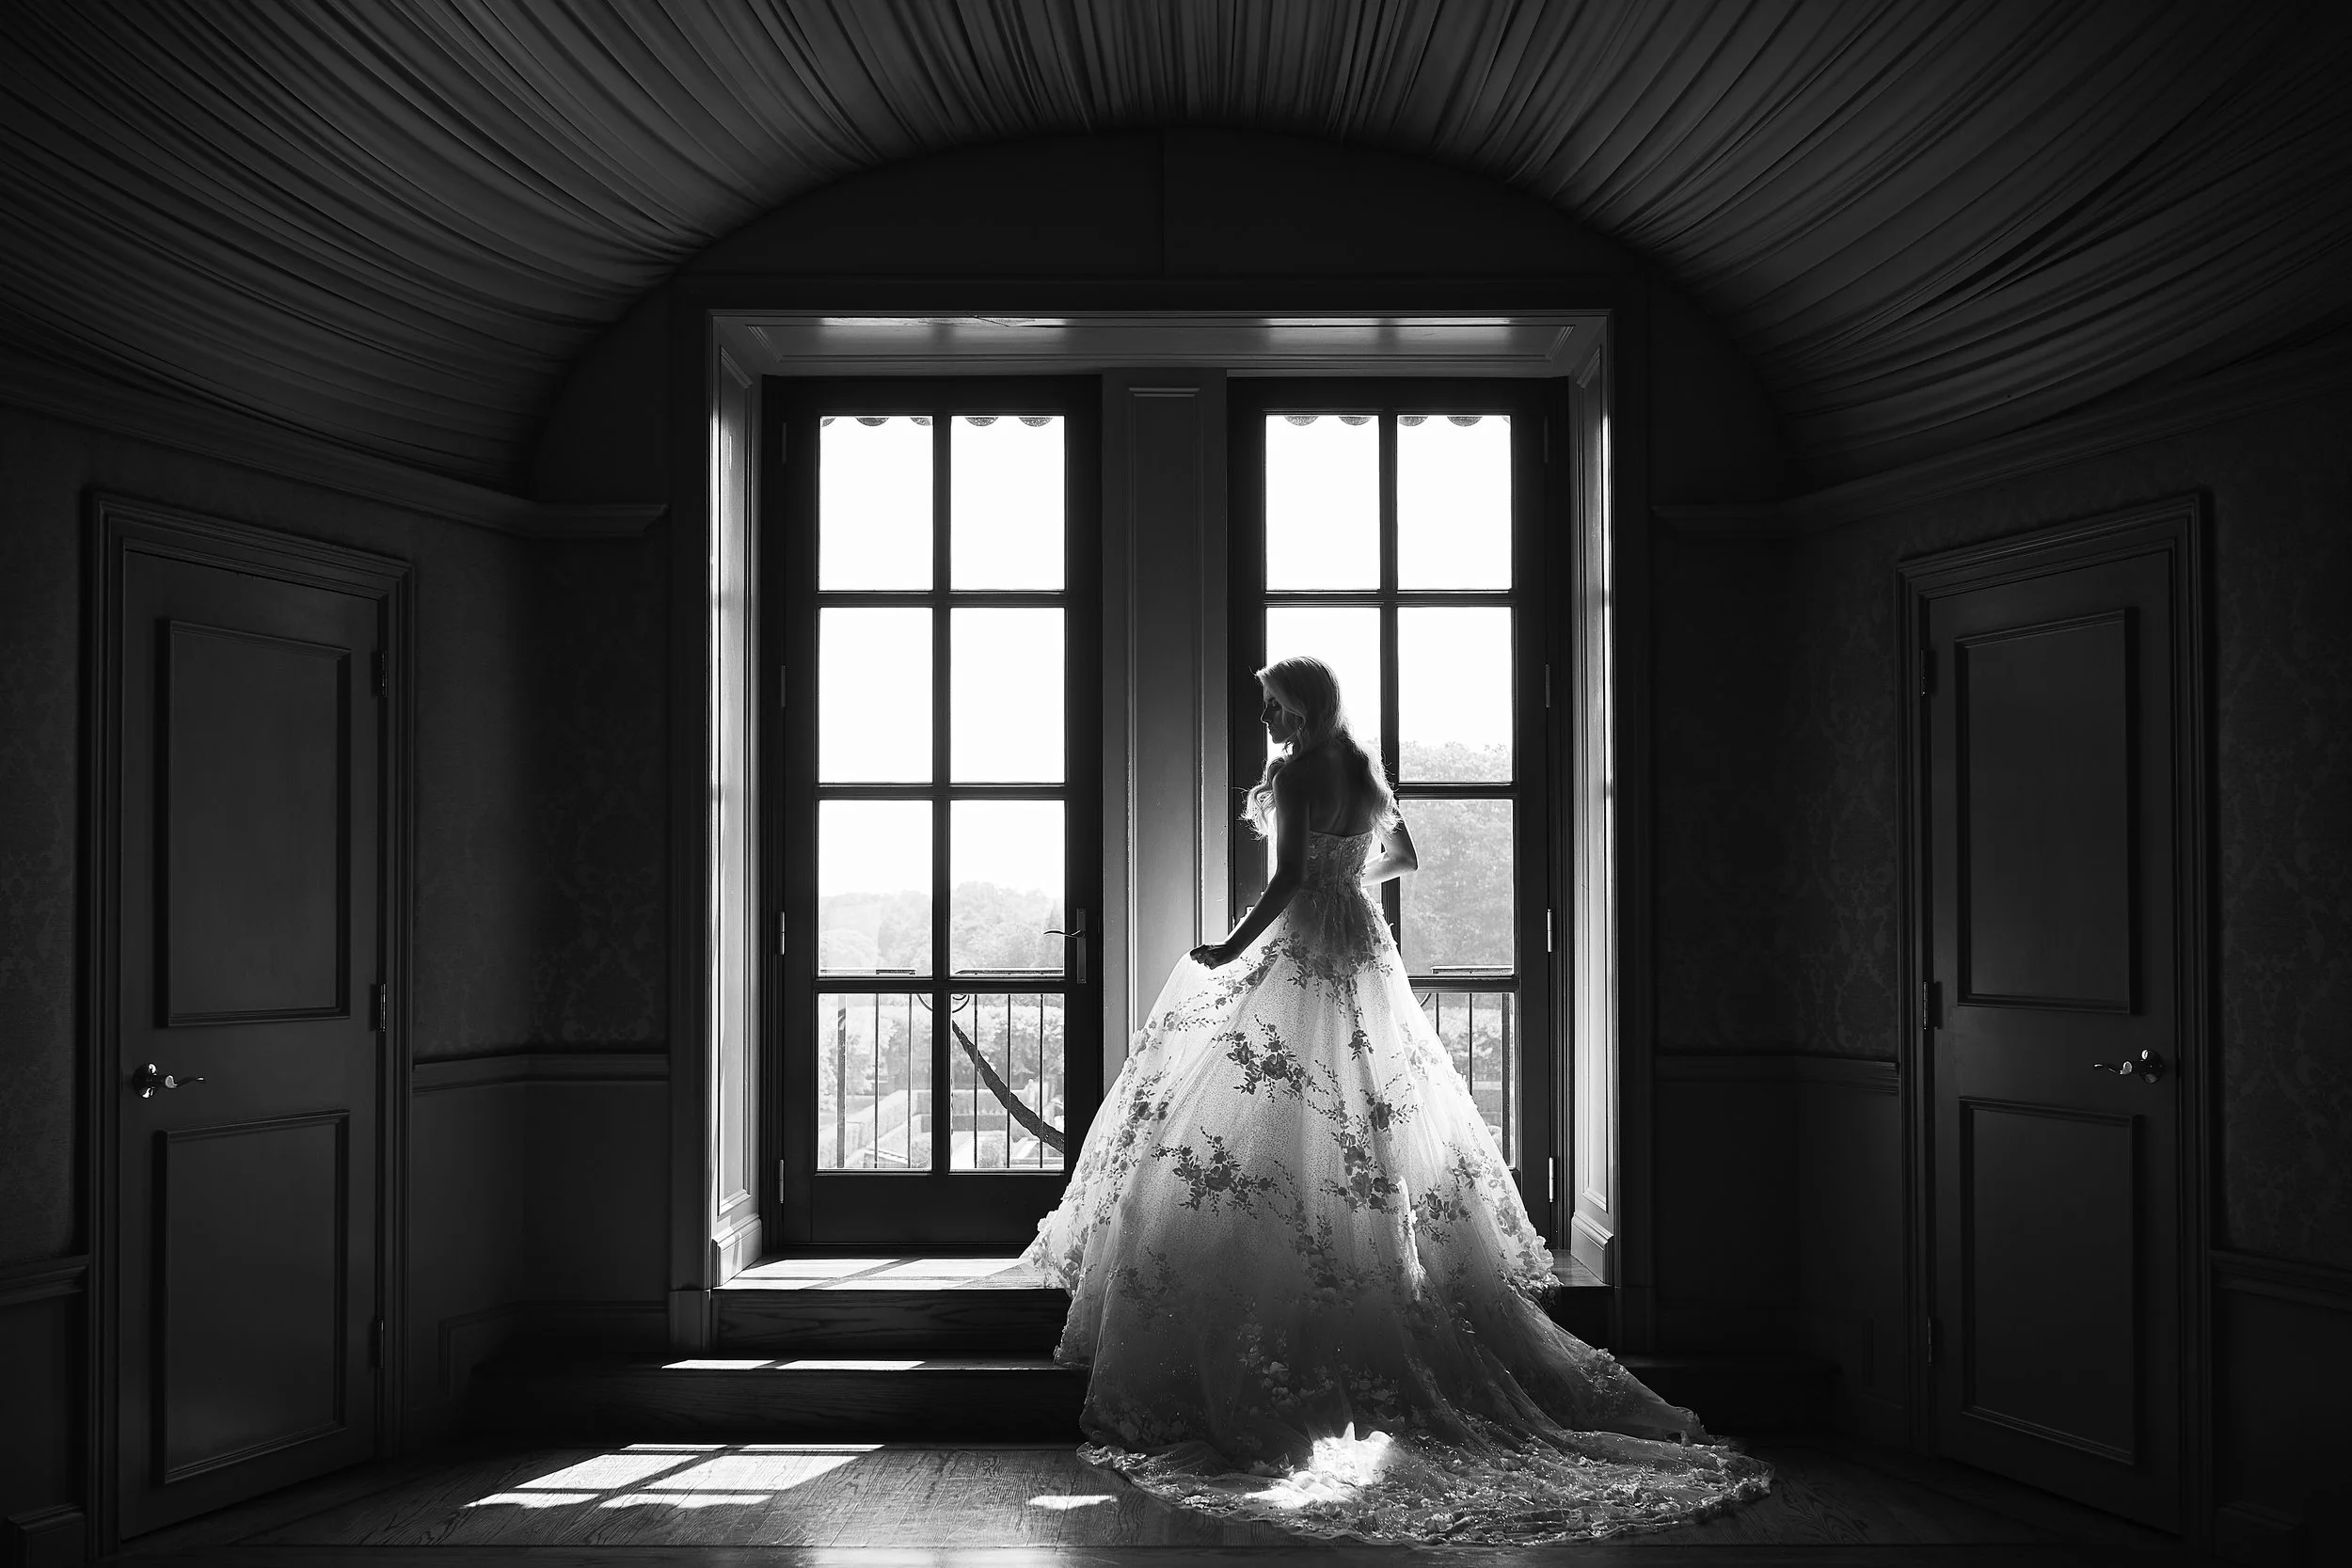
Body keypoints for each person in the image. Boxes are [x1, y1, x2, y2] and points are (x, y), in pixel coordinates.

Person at [1019, 656, 1769, 1543]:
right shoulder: (1362, 767)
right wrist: (1348, 883)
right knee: (1361, 1108)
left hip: (1306, 943)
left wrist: (1229, 948)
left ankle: (1308, 1279)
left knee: (1281, 1105)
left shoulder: (1296, 773)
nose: (1266, 719)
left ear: (1302, 705)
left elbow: (1286, 881)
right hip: (1361, 944)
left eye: (1274, 705)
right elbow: (1402, 857)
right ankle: (1356, 1261)